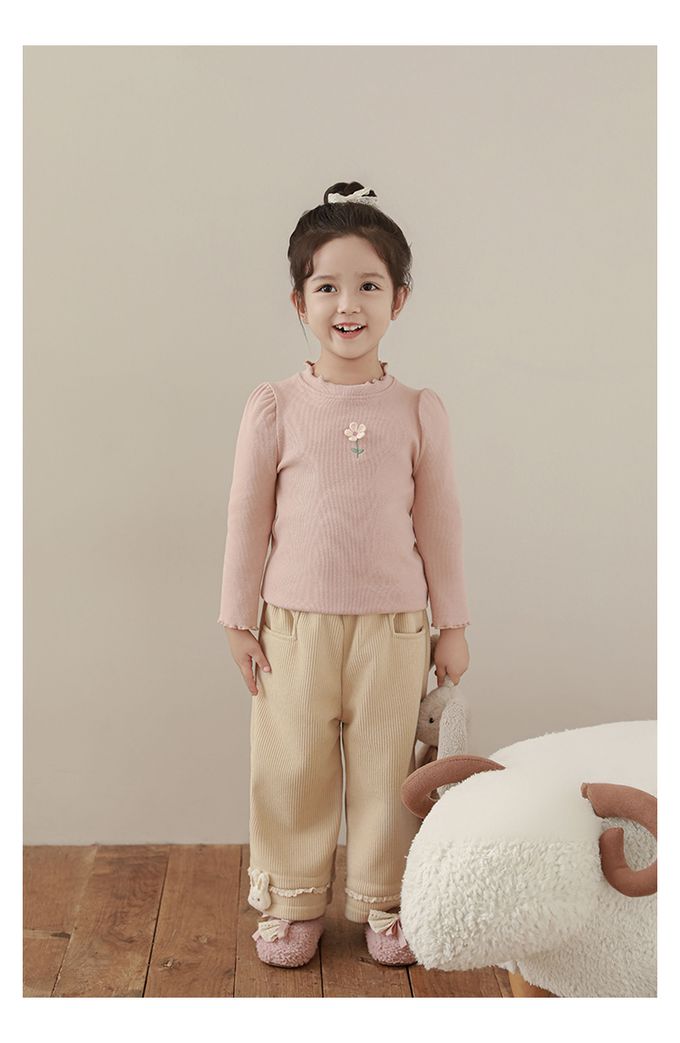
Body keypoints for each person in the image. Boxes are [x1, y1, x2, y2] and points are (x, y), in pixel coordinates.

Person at [217, 181, 471, 969]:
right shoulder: (274, 407)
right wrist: (237, 618)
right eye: (327, 286)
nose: (347, 304)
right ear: (300, 301)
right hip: (292, 626)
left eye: (368, 285)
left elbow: (439, 523)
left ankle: (384, 900)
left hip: (394, 627)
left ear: (399, 297)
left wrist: (453, 624)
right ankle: (292, 899)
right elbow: (247, 517)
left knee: (386, 767)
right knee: (292, 764)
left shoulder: (418, 409)